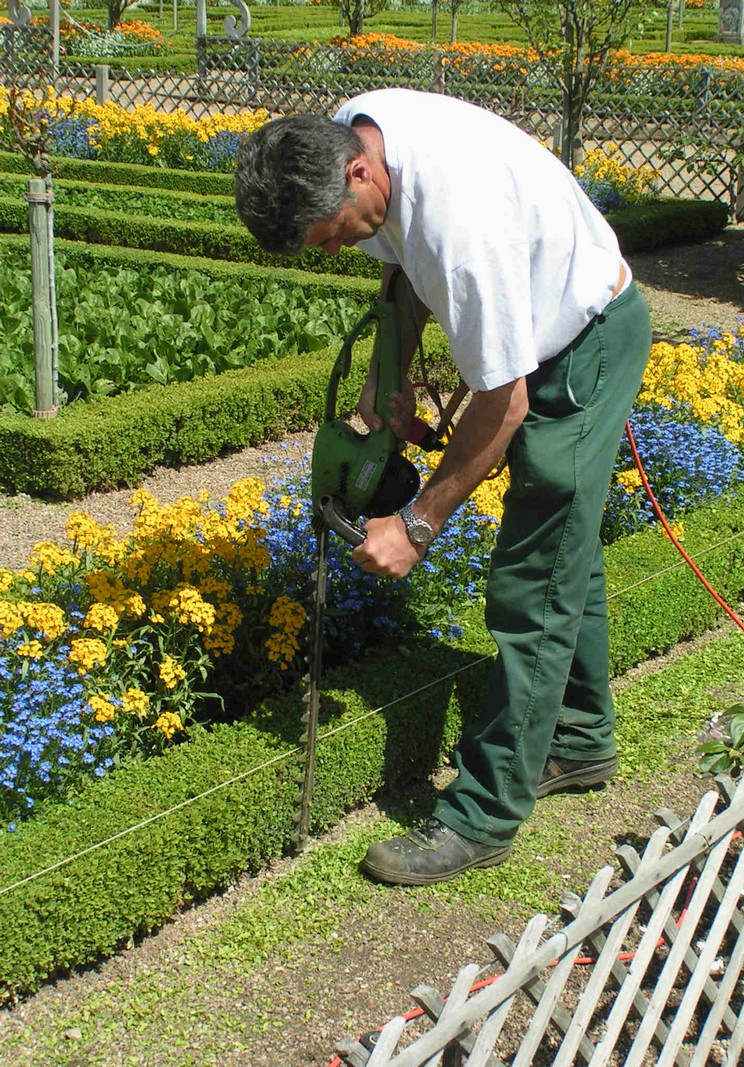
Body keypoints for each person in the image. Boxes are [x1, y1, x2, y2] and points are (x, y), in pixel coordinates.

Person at [235, 88, 652, 886]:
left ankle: (485, 814)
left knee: (532, 579)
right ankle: (580, 734)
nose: (333, 252)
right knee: (563, 544)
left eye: (330, 237)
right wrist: (383, 379)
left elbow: (504, 403)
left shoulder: (460, 224)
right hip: (548, 322)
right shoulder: (354, 131)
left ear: (359, 171)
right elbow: (398, 270)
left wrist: (417, 525)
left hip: (585, 341)